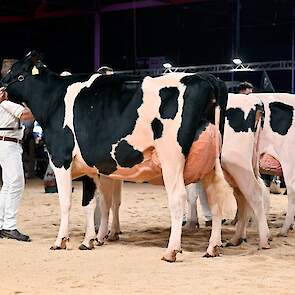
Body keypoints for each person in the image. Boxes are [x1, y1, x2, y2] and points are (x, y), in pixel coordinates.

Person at [0, 59, 34, 241]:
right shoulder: (4, 96)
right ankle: (9, 226)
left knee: (7, 186)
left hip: (8, 142)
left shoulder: (5, 94)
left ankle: (2, 224)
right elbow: (25, 115)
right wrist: (39, 105)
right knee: (16, 183)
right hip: (7, 142)